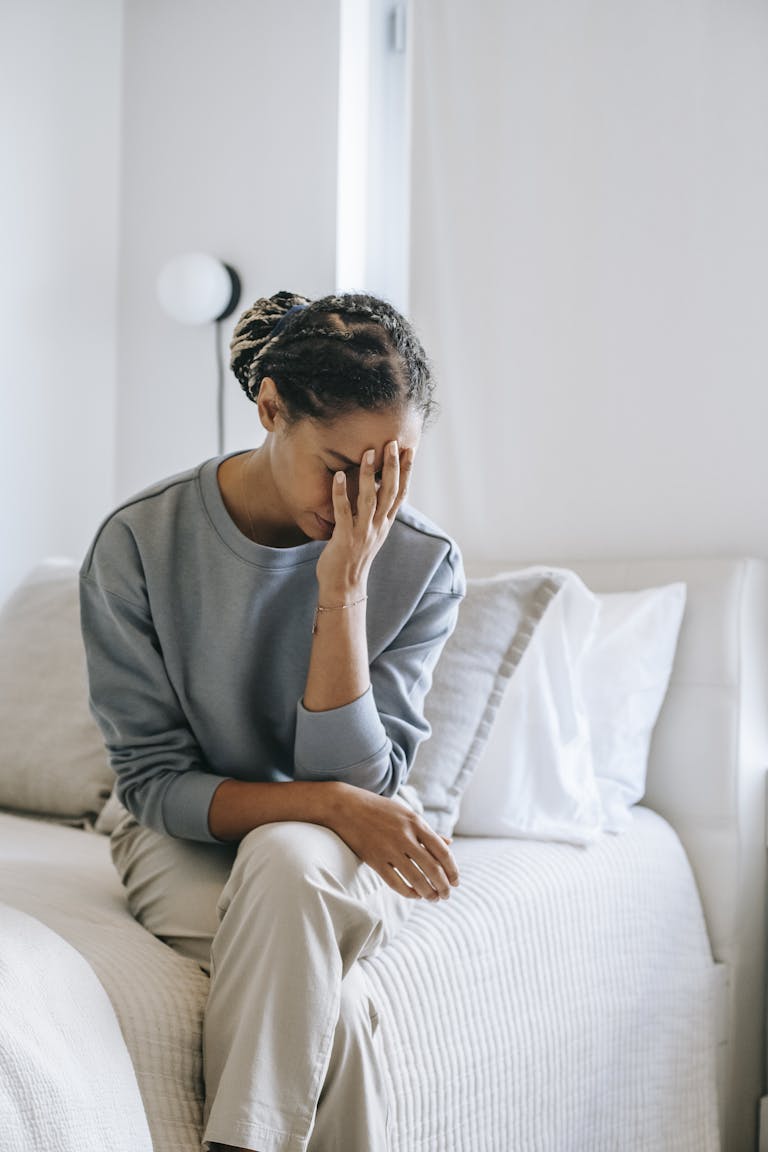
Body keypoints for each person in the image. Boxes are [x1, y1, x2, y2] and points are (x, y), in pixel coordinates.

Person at [79, 290, 465, 1152]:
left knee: (290, 864)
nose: (362, 499)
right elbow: (153, 785)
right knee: (341, 1002)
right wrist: (320, 804)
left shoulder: (421, 563)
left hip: (352, 844)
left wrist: (343, 591)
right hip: (187, 838)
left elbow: (363, 783)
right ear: (270, 409)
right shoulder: (139, 543)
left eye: (390, 469)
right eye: (338, 463)